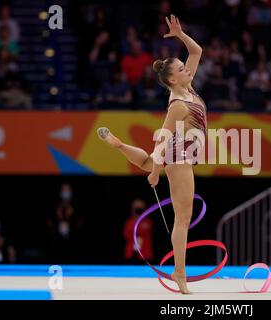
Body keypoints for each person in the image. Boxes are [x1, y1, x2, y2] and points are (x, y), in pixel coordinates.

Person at [97, 14, 206, 294]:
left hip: (179, 155)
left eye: (185, 68)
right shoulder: (178, 104)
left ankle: (119, 145)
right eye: (182, 69)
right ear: (171, 79)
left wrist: (180, 34)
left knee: (145, 162)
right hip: (178, 157)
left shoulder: (188, 87)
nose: (188, 70)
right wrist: (157, 172)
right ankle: (179, 273)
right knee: (183, 218)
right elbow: (163, 140)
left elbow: (197, 51)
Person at [123, 199, 154, 263]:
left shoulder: (148, 221)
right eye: (136, 208)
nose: (138, 210)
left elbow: (143, 231)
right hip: (131, 253)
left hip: (145, 254)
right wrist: (135, 219)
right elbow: (126, 234)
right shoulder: (129, 222)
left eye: (140, 209)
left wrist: (139, 219)